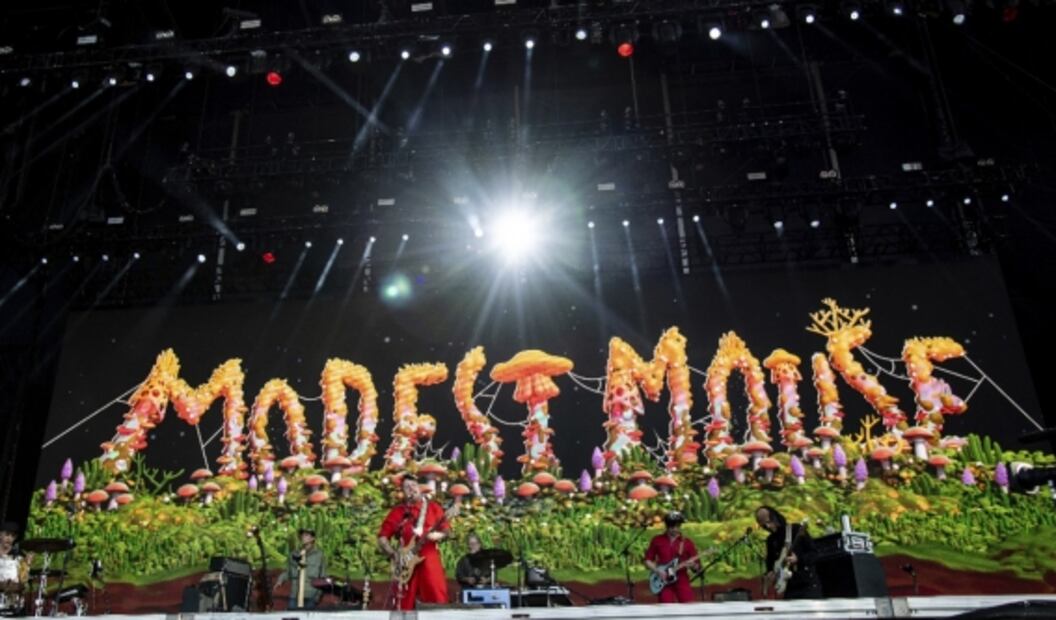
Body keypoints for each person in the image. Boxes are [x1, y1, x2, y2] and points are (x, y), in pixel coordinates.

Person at [377, 475, 451, 610]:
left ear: (419, 488)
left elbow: (447, 531)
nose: (411, 488)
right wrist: (394, 555)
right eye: (407, 487)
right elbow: (382, 537)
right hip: (406, 563)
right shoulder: (398, 512)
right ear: (403, 492)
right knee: (403, 603)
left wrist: (439, 535)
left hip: (429, 560)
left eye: (413, 485)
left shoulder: (433, 508)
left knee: (437, 599)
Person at [756, 505, 823, 599]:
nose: (768, 526)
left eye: (768, 522)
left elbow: (815, 554)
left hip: (807, 585)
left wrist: (798, 559)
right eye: (764, 526)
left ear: (775, 517)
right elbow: (770, 564)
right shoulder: (770, 540)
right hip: (789, 588)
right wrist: (770, 574)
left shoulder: (795, 529)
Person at [643, 511, 700, 603]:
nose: (675, 529)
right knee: (665, 607)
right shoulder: (657, 540)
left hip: (682, 580)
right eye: (672, 527)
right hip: (664, 580)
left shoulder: (687, 542)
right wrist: (658, 571)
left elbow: (697, 567)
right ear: (666, 526)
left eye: (677, 526)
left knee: (688, 606)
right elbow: (647, 560)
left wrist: (693, 566)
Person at [273, 528, 327, 609]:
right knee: (292, 614)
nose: (303, 537)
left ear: (312, 538)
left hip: (311, 595)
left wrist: (317, 597)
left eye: (306, 535)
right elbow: (288, 572)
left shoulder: (319, 555)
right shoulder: (294, 554)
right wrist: (280, 580)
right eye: (302, 535)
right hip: (295, 594)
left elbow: (322, 577)